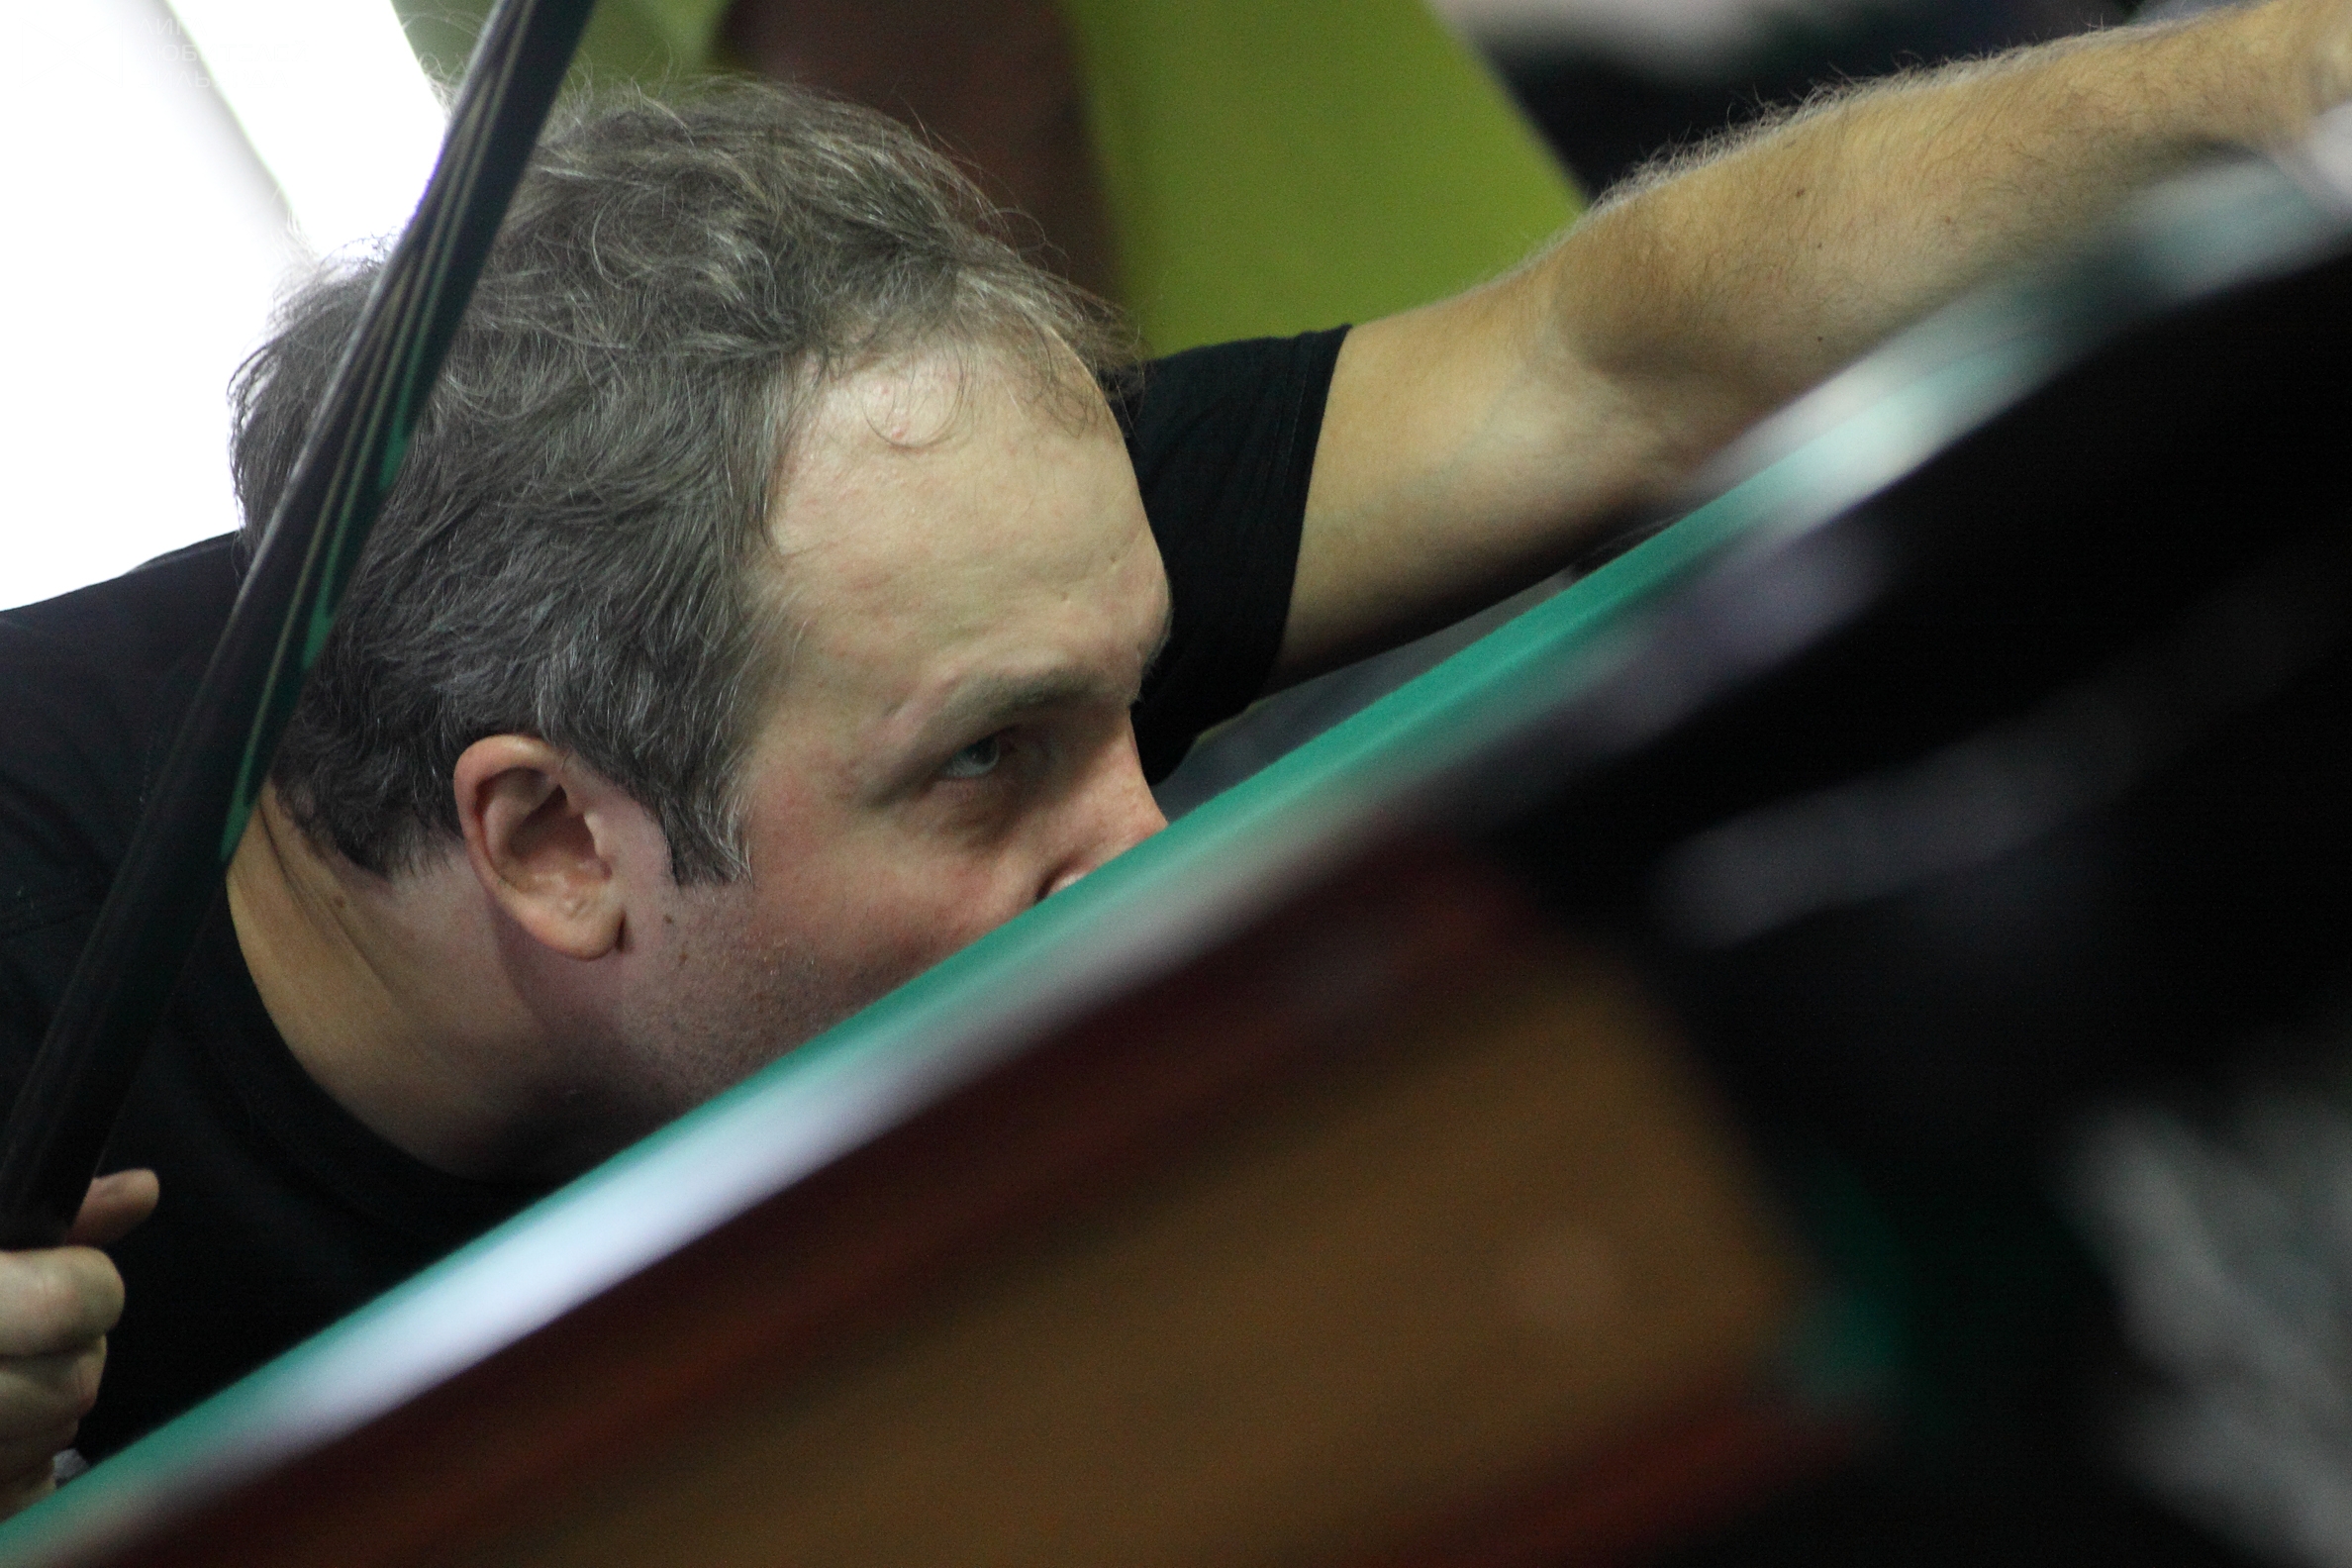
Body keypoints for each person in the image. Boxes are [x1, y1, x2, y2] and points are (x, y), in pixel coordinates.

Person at [2, 0, 2347, 1517]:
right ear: (547, 840)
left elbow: (1614, 360)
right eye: (993, 770)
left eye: (1122, 710)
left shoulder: (909, 577)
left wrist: (2275, 79)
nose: (1139, 842)